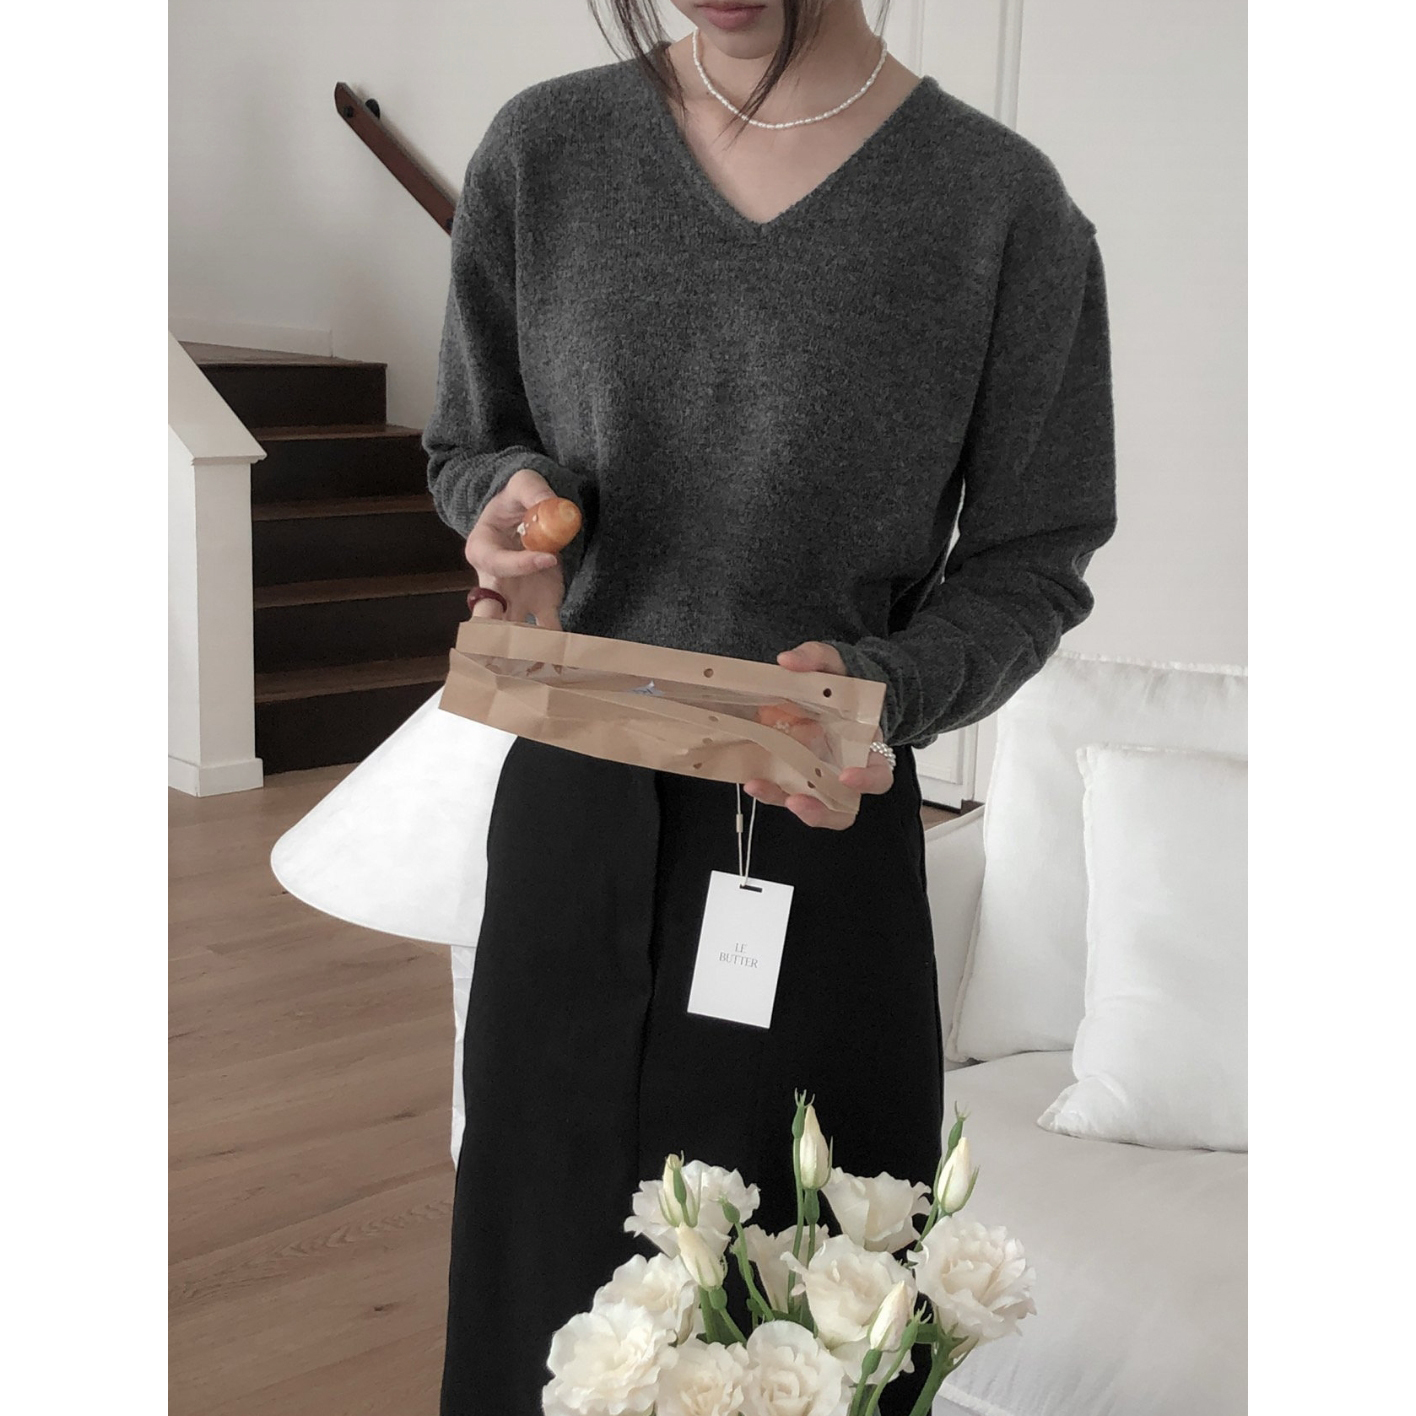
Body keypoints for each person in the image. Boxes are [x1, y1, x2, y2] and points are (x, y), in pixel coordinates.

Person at [426, 2, 1117, 1411]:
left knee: (801, 1324)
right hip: (573, 804)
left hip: (817, 819)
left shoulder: (1001, 210)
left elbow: (1036, 558)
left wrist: (889, 686)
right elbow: (471, 441)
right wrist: (507, 506)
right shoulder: (544, 152)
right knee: (541, 1300)